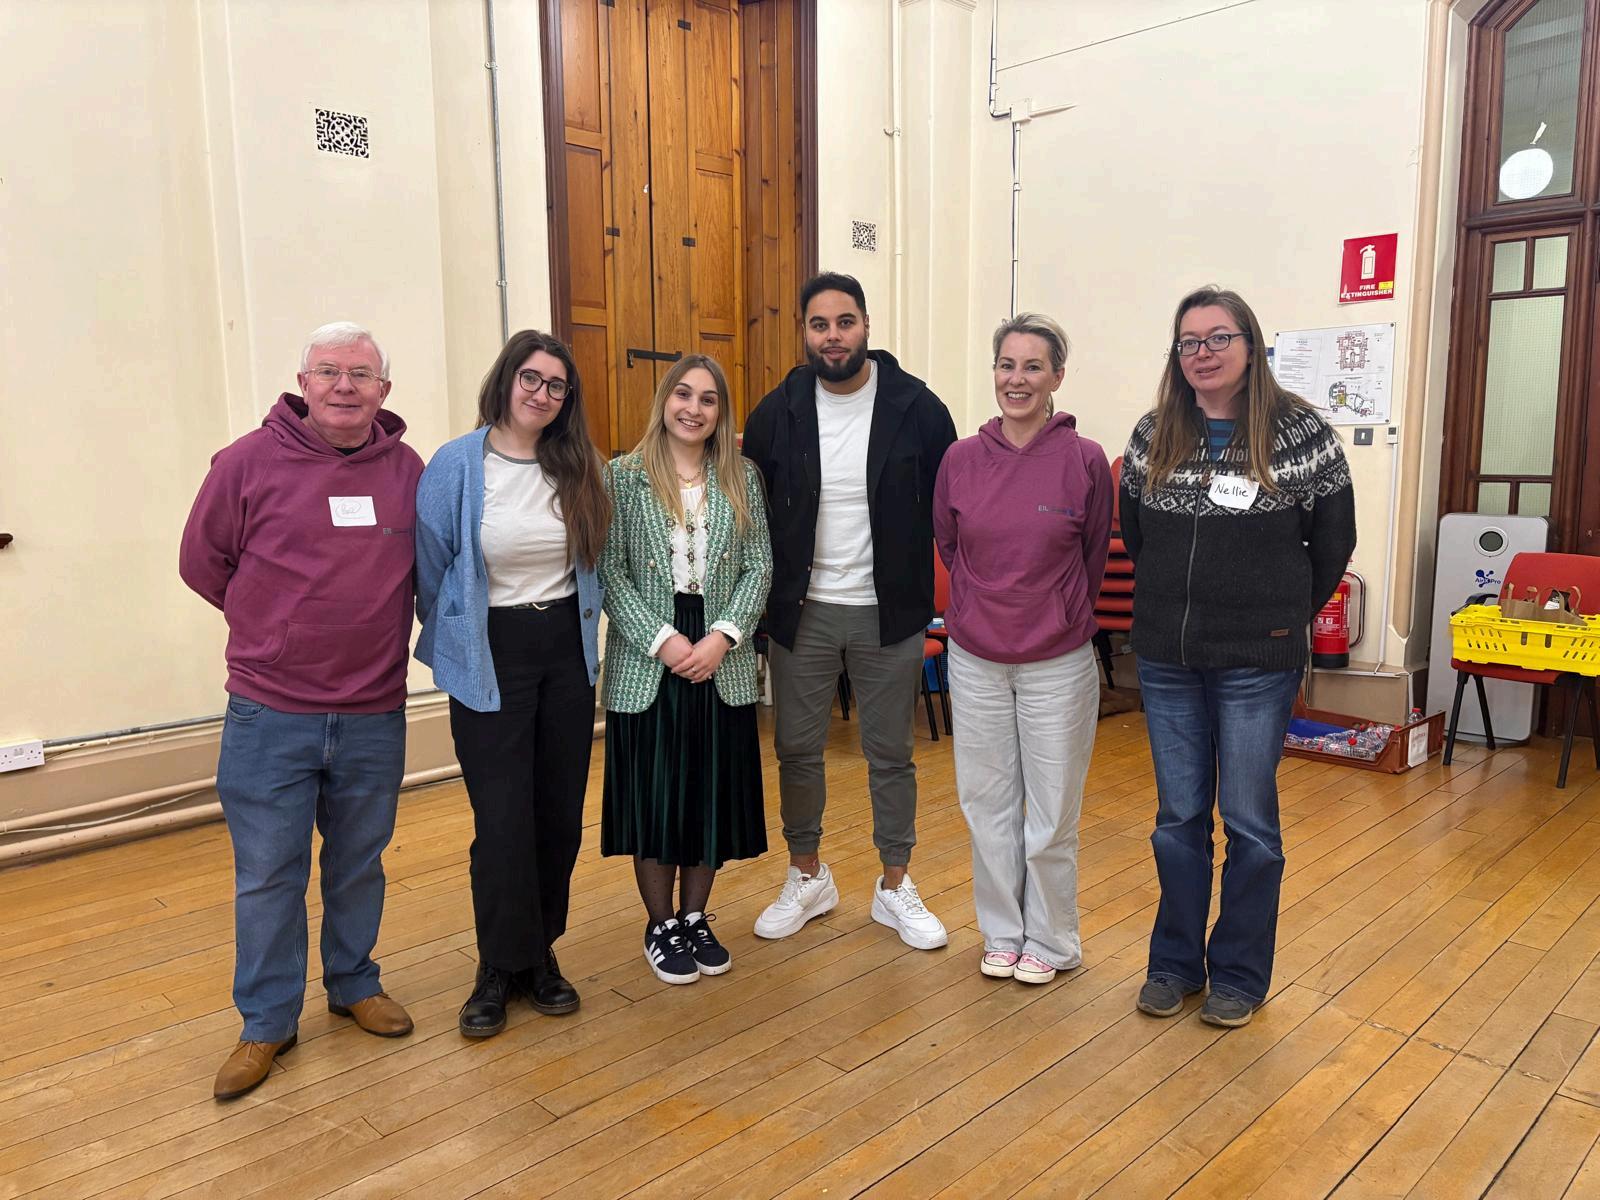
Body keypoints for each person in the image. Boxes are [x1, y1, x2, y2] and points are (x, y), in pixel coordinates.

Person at [180, 322, 423, 1100]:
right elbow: (201, 562)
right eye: (329, 371)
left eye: (361, 374)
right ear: (303, 381)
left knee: (359, 861)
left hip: (373, 711)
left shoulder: (407, 471)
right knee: (267, 873)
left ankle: (353, 982)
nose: (344, 385)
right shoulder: (246, 463)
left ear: (384, 390)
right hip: (270, 712)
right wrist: (270, 628)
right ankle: (266, 1021)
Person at [1121, 286, 1356, 1028]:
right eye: (1189, 341)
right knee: (1178, 818)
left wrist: (1282, 618)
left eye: (1219, 337)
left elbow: (1334, 542)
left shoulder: (1302, 435)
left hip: (1260, 658)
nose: (1204, 353)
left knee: (1249, 822)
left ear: (1251, 346)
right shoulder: (1153, 433)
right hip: (1168, 657)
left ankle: (1240, 976)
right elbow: (1138, 536)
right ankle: (1173, 964)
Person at [741, 271, 958, 949]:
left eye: (844, 322)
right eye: (819, 325)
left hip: (886, 613)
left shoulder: (918, 408)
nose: (832, 336)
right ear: (803, 333)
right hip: (801, 612)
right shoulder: (775, 413)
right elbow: (750, 513)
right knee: (796, 749)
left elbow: (951, 508)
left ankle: (895, 885)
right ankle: (807, 875)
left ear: (866, 325)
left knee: (890, 753)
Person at [414, 330, 611, 1038]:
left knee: (557, 816)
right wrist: (461, 639)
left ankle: (540, 957)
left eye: (557, 385)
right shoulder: (456, 464)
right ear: (506, 380)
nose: (542, 394)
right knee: (501, 821)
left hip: (565, 652)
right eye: (531, 378)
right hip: (490, 654)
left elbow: (599, 562)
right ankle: (498, 966)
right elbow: (431, 572)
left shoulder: (581, 465)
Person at [933, 313, 1112, 985]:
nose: (1017, 379)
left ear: (1057, 376)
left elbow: (1092, 557)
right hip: (975, 658)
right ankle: (1003, 933)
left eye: (1033, 366)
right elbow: (950, 546)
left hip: (1057, 662)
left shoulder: (1085, 460)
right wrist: (981, 609)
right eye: (1006, 365)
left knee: (1052, 810)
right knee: (987, 806)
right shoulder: (960, 459)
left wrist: (1055, 611)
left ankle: (1053, 940)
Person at [599, 356, 773, 984]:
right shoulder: (622, 476)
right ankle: (660, 924)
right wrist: (664, 641)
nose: (693, 409)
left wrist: (724, 636)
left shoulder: (741, 477)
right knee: (655, 798)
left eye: (708, 399)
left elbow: (759, 565)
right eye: (683, 394)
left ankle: (695, 916)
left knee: (708, 795)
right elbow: (609, 570)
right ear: (664, 402)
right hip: (649, 658)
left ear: (720, 412)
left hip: (720, 656)